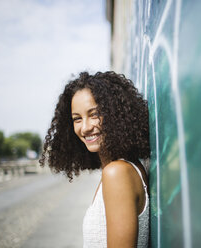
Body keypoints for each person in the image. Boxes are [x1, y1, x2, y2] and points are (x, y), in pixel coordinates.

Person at [40, 71, 150, 248]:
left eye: (94, 114)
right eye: (77, 119)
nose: (85, 128)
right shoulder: (124, 167)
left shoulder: (117, 173)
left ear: (117, 114)